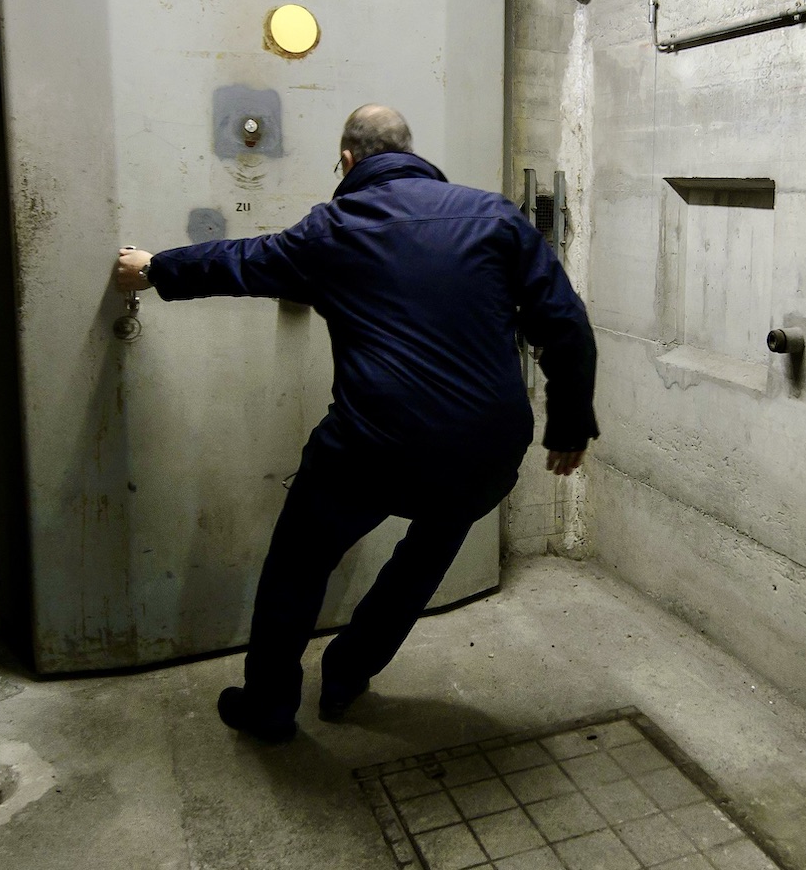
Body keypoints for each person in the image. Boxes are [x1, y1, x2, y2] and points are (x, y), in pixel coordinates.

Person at [113, 104, 596, 742]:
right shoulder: (497, 217)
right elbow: (565, 325)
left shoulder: (336, 227)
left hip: (375, 447)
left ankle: (270, 707)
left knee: (298, 566)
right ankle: (346, 675)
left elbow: (242, 261)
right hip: (486, 447)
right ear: (410, 150)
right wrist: (567, 427)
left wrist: (151, 268)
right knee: (425, 555)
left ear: (347, 160)